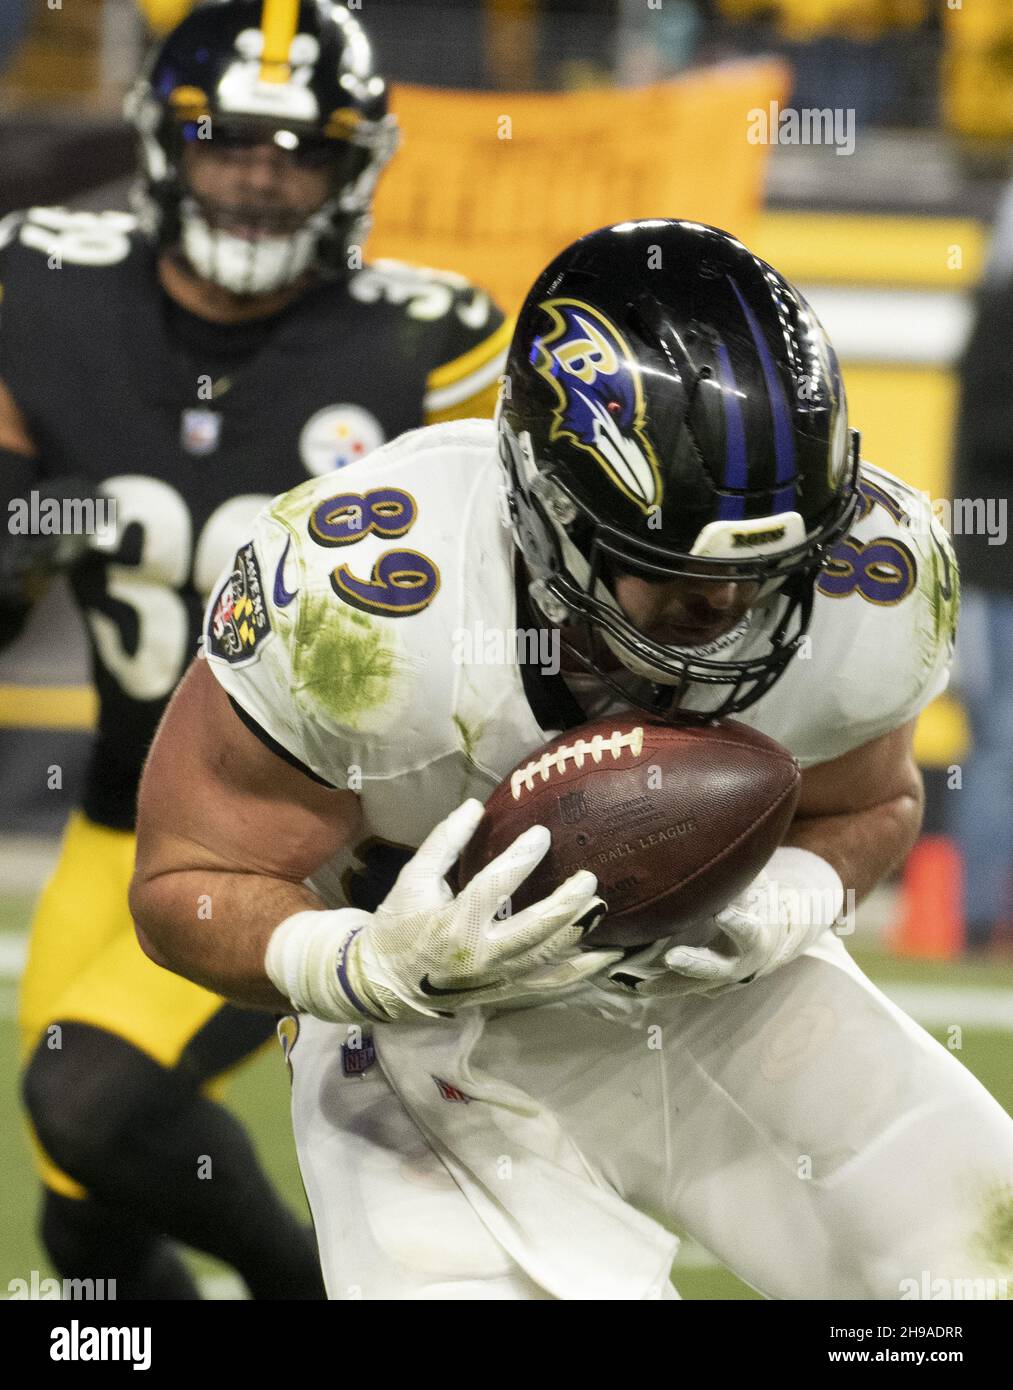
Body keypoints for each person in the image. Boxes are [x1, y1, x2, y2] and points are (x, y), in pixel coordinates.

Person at [131, 219, 1013, 1300]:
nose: (731, 610)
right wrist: (359, 964)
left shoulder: (869, 579)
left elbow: (872, 803)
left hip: (715, 989)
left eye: (773, 568)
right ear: (549, 514)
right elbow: (181, 884)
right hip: (419, 1036)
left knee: (979, 1260)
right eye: (672, 574)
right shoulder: (362, 605)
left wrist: (779, 897)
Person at [5, 0, 507, 1300]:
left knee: (94, 1097)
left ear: (356, 167)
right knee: (86, 1225)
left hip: (320, 829)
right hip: (119, 820)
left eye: (300, 150)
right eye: (227, 137)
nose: (259, 172)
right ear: (165, 142)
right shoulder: (43, 290)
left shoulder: (425, 342)